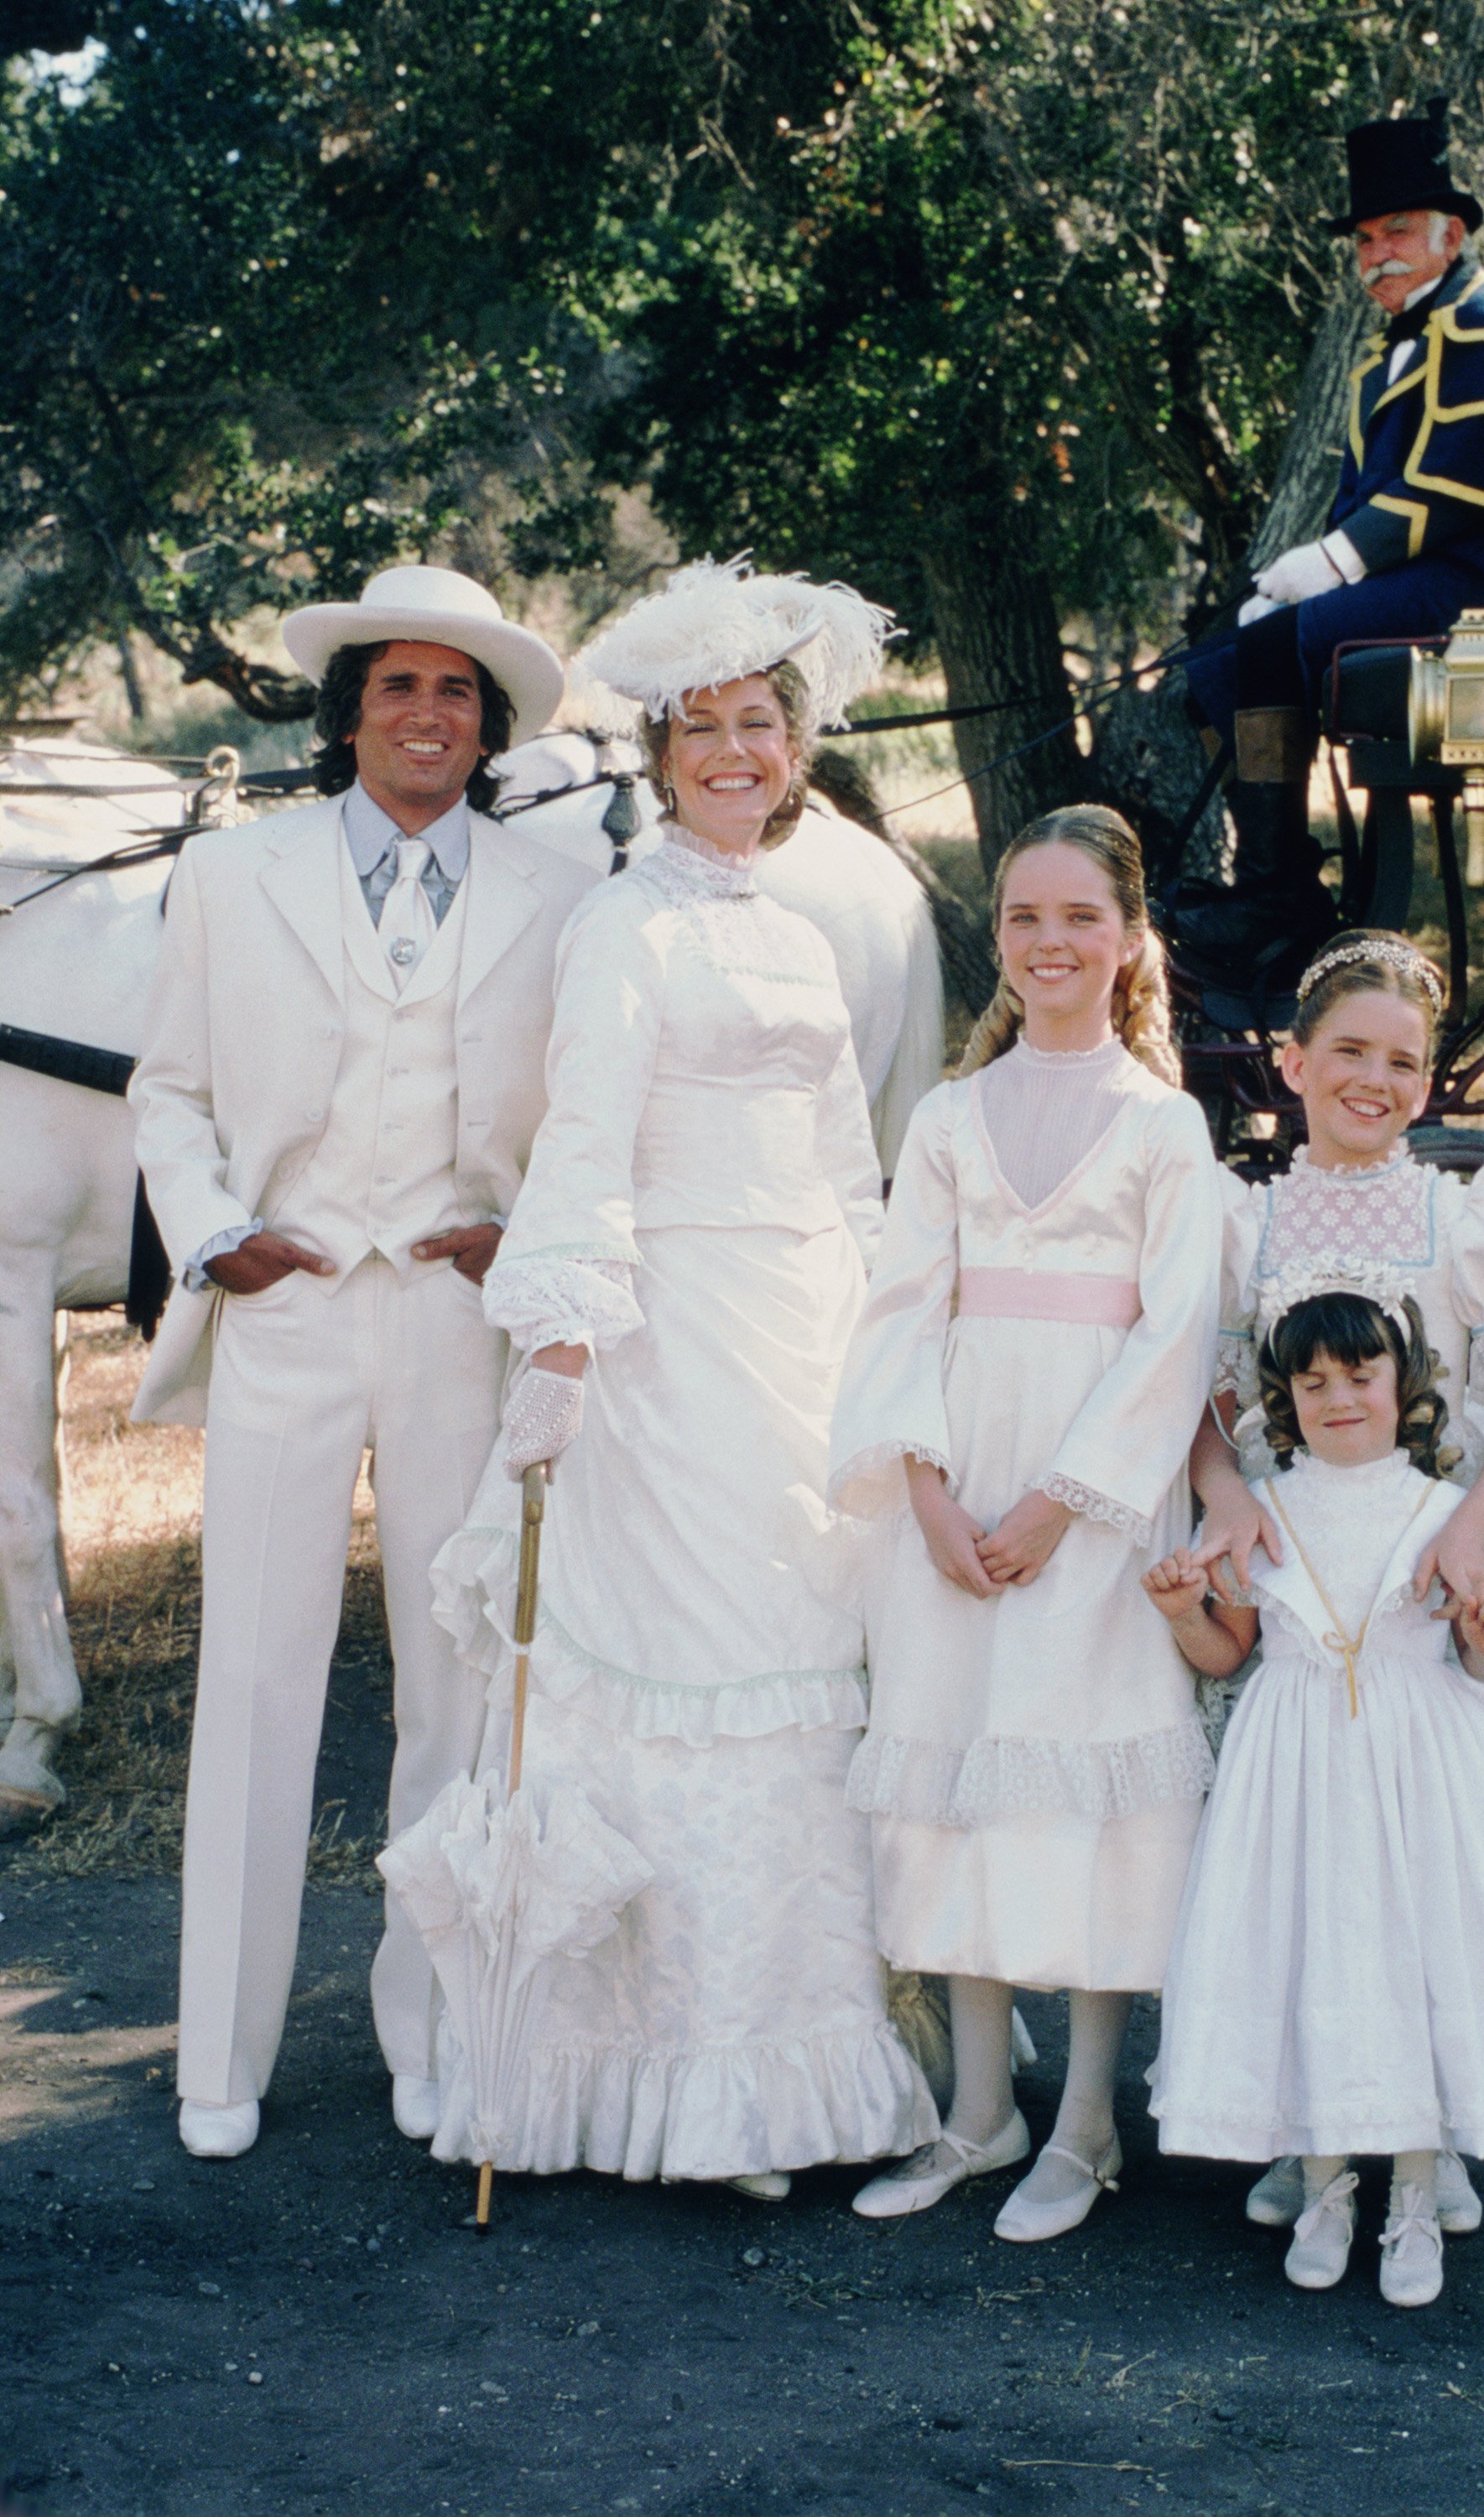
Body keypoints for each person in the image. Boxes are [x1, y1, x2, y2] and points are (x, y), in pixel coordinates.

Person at [423, 558, 936, 2192]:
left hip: (797, 1346)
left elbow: (851, 1169)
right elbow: (582, 1149)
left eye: (759, 727)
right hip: (669, 1354)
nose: (733, 754)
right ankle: (685, 2075)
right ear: (662, 753)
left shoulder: (794, 934)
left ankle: (798, 2057)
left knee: (799, 1693)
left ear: (796, 750)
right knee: (694, 1701)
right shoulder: (623, 929)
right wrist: (562, 1355)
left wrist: (884, 1344)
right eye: (702, 730)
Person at [130, 565, 587, 2160]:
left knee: (459, 1685)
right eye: (398, 686)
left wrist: (519, 1233)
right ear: (348, 715)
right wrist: (216, 1231)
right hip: (292, 1301)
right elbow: (169, 1092)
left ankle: (436, 2038)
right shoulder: (232, 876)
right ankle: (221, 2061)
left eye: (457, 693)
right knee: (255, 1674)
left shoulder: (556, 891)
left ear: (487, 726)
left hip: (458, 1315)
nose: (426, 716)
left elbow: (589, 1117)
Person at [1189, 929, 1484, 2236]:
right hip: (1308, 1569)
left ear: (1427, 1079)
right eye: (1347, 1054)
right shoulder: (1245, 1220)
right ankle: (1310, 2112)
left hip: (1440, 1561)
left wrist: (1471, 1534)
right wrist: (1224, 1499)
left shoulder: (1464, 1211)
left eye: (1402, 1062)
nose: (1373, 1080)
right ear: (1290, 1063)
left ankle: (1442, 2116)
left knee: (1447, 1854)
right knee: (1313, 1853)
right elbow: (1208, 1406)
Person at [826, 807, 1221, 2242]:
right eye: (1020, 917)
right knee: (959, 1785)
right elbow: (894, 1312)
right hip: (952, 1489)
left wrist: (1059, 1507)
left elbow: (1174, 1335)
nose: (1047, 943)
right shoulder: (944, 1119)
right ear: (994, 937)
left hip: (1092, 1505)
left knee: (1076, 1789)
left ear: (1126, 945)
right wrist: (925, 1490)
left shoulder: (1160, 1126)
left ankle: (1087, 2126)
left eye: (1077, 918)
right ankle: (978, 2114)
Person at [1147, 1283, 1484, 2308]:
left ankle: (1413, 2191)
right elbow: (1226, 1655)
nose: (1337, 1399)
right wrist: (1185, 1613)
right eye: (1312, 1381)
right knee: (1310, 1952)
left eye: (1359, 1377)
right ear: (1284, 1397)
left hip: (1423, 1763)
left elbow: (1481, 1663)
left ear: (1399, 1386)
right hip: (1293, 1767)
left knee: (1417, 1955)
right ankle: (1323, 2180)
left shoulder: (1445, 1514)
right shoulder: (1259, 1508)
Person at [1174, 96, 1484, 988]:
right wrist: (1302, 579)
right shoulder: (1388, 356)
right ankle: (1273, 879)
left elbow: (1462, 481)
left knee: (1271, 644)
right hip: (1430, 583)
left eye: (1397, 231)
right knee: (1219, 666)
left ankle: (1274, 898)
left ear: (1450, 235)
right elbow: (1372, 497)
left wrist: (1333, 564)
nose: (1375, 252)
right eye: (1363, 240)